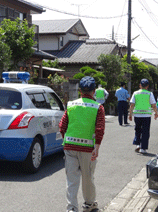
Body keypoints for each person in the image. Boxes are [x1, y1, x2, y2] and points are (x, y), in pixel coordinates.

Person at [59, 76, 105, 212]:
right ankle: (89, 204)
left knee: (71, 180)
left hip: (69, 147)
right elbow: (100, 128)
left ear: (80, 91)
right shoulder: (98, 107)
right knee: (87, 177)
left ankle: (72, 208)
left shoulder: (71, 105)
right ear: (94, 91)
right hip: (87, 148)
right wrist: (97, 147)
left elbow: (62, 126)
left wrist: (66, 141)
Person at [129, 79, 158, 154]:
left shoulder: (135, 93)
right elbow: (154, 105)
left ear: (140, 85)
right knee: (145, 131)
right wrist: (156, 113)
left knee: (137, 130)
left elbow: (132, 105)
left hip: (137, 115)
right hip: (146, 115)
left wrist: (130, 114)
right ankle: (143, 148)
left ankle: (137, 144)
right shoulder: (149, 94)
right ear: (147, 86)